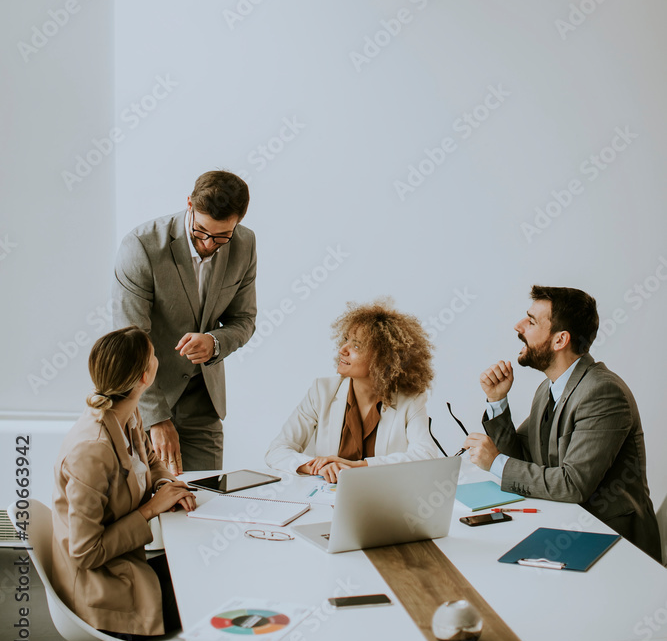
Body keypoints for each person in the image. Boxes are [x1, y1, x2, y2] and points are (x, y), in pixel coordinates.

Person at [464, 285, 662, 562]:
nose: (518, 326)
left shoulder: (603, 392)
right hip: (565, 526)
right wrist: (497, 401)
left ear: (560, 340)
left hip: (614, 544)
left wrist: (495, 463)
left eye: (531, 321)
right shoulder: (548, 388)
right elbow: (522, 457)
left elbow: (572, 484)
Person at [51, 326, 197, 639]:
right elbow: (86, 553)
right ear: (145, 377)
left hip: (125, 567)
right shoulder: (90, 451)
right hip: (101, 596)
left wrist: (166, 486)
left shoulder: (126, 413)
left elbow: (150, 461)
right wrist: (151, 509)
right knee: (211, 593)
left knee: (204, 566)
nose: (158, 358)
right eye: (154, 355)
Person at [112, 170, 257, 473]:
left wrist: (215, 342)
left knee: (206, 503)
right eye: (201, 231)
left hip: (204, 401)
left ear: (239, 221)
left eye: (221, 236)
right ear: (189, 204)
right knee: (151, 506)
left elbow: (244, 320)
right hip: (144, 396)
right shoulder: (141, 246)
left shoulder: (245, 244)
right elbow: (130, 340)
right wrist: (156, 418)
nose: (207, 243)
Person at [265, 299, 441, 481]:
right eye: (346, 340)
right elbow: (277, 450)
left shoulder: (410, 400)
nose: (342, 349)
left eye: (356, 346)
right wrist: (318, 468)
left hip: (383, 499)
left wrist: (357, 467)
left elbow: (425, 456)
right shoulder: (322, 391)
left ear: (383, 359)